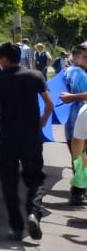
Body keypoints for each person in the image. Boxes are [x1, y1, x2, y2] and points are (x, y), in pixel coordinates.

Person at [0, 41, 53, 241]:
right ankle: (33, 212)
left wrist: (1, 114)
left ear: (4, 59)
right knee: (35, 178)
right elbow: (49, 104)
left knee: (9, 181)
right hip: (30, 136)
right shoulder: (35, 76)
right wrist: (41, 122)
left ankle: (16, 226)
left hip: (7, 137)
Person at [58, 42, 87, 205]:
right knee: (82, 157)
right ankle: (78, 191)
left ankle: (80, 189)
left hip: (72, 120)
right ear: (76, 57)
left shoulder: (68, 71)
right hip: (79, 119)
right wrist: (73, 97)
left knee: (79, 156)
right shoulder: (78, 73)